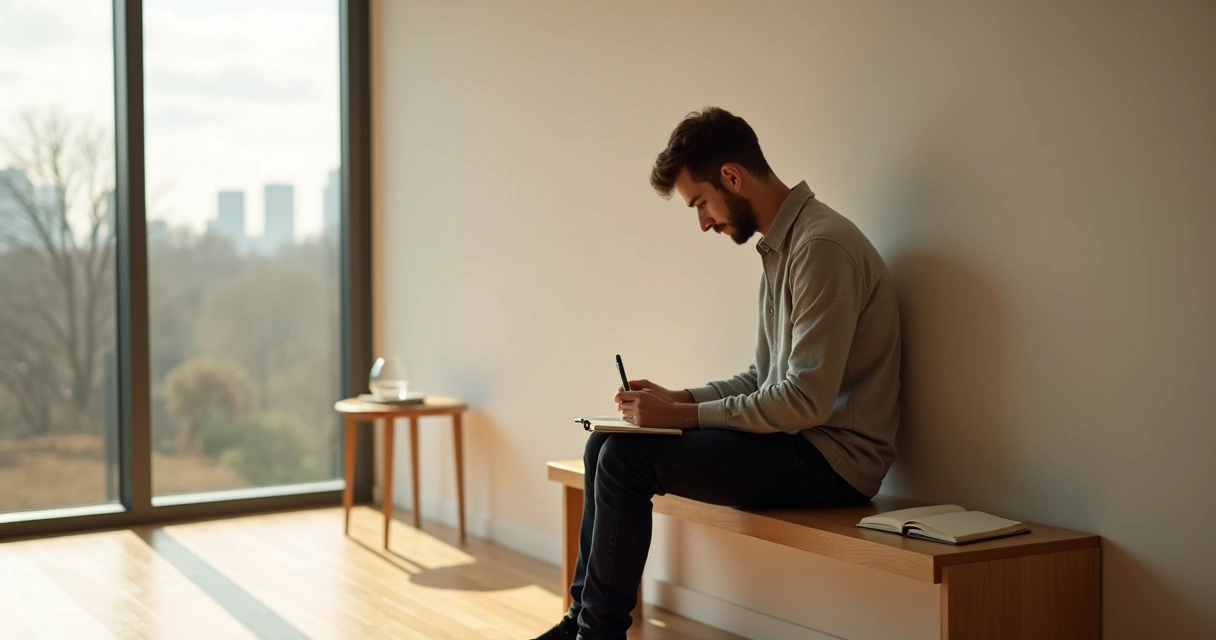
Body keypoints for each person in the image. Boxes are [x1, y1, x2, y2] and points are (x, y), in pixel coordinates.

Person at [533, 107, 901, 640]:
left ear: (731, 176)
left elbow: (804, 401)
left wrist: (681, 415)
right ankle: (580, 624)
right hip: (797, 444)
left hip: (833, 462)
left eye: (699, 202)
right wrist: (677, 397)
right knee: (604, 448)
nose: (703, 221)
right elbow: (763, 377)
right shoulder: (784, 247)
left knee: (624, 461)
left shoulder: (821, 247)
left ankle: (596, 634)